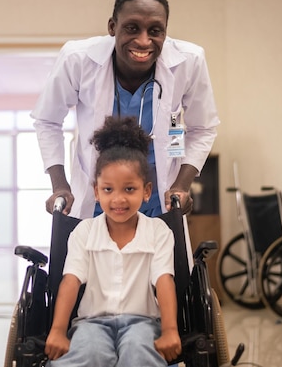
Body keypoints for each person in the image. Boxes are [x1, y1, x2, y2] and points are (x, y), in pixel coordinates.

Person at [32, 0, 220, 219]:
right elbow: (47, 120)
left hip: (157, 199)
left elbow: (203, 128)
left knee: (161, 254)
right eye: (132, 28)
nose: (143, 41)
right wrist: (60, 185)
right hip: (100, 199)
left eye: (155, 30)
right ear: (112, 27)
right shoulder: (78, 59)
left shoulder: (189, 61)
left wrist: (182, 185)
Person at [45, 116, 182, 366]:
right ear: (96, 191)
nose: (118, 199)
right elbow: (70, 282)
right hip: (91, 322)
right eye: (108, 189)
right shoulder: (84, 232)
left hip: (143, 321)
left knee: (139, 351)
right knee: (89, 353)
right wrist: (57, 330)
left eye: (129, 189)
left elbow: (164, 281)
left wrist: (171, 330)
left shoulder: (158, 231)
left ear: (146, 191)